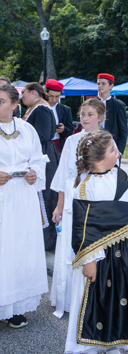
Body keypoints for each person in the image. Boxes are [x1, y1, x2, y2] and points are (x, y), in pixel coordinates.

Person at [65, 130, 128, 354]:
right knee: (96, 306)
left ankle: (113, 353)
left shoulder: (122, 176)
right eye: (114, 150)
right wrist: (89, 260)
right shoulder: (84, 187)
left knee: (121, 301)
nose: (119, 153)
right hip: (100, 257)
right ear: (99, 158)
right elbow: (83, 228)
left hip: (126, 252)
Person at [50, 98, 106, 318]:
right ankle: (68, 299)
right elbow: (64, 176)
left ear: (101, 117)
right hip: (74, 202)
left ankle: (94, 296)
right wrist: (59, 206)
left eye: (90, 114)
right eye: (82, 114)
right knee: (71, 249)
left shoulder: (107, 141)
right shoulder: (72, 141)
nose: (85, 118)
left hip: (98, 202)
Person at [0, 83, 49, 328]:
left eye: (1, 101)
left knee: (19, 248)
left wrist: (34, 173)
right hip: (1, 198)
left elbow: (40, 159)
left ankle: (14, 306)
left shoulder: (27, 129)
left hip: (22, 198)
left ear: (14, 105)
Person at [22, 81, 60, 251]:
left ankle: (48, 241)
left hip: (43, 156)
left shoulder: (42, 109)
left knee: (45, 197)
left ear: (33, 92)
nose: (22, 96)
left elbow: (42, 136)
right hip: (39, 154)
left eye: (24, 92)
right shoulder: (35, 108)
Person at [97, 73, 128, 155]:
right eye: (98, 84)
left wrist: (119, 151)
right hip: (94, 145)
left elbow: (123, 130)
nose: (100, 86)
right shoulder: (92, 103)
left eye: (103, 84)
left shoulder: (119, 105)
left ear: (111, 86)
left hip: (112, 147)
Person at [45, 78, 74, 152]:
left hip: (58, 144)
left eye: (57, 97)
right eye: (51, 96)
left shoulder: (65, 109)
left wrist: (63, 130)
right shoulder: (37, 107)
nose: (54, 100)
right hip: (41, 144)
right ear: (45, 93)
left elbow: (70, 131)